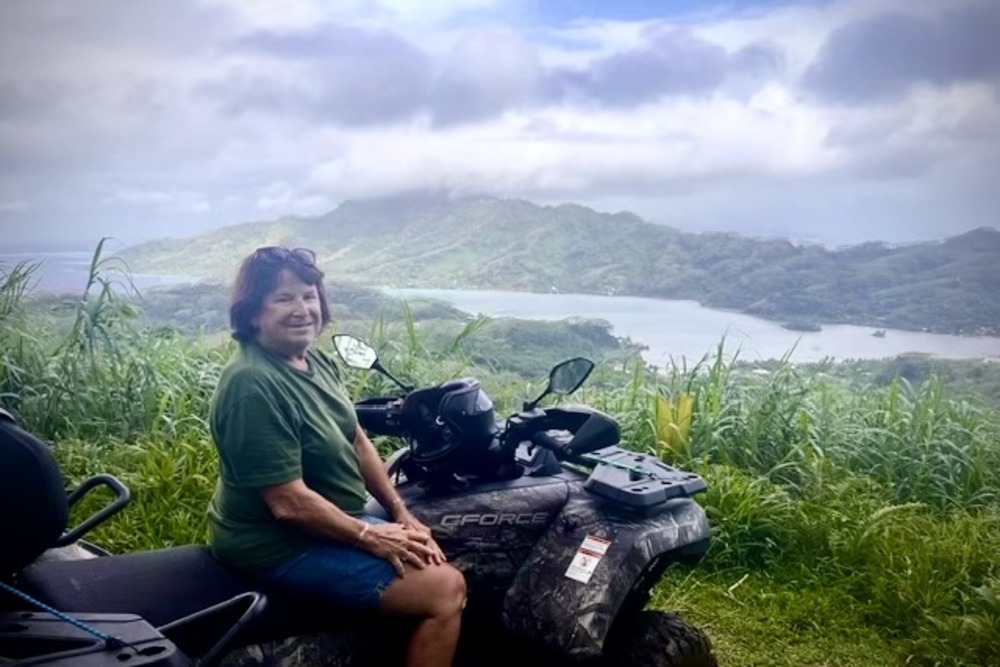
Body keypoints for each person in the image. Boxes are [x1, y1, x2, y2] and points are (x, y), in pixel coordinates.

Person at [207, 246, 466, 667]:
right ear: (252, 312)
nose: (302, 309)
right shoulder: (251, 385)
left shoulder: (314, 360)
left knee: (430, 544)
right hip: (274, 542)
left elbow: (356, 437)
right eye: (283, 298)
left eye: (309, 296)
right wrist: (370, 535)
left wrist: (398, 511)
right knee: (445, 589)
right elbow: (287, 503)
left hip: (331, 520)